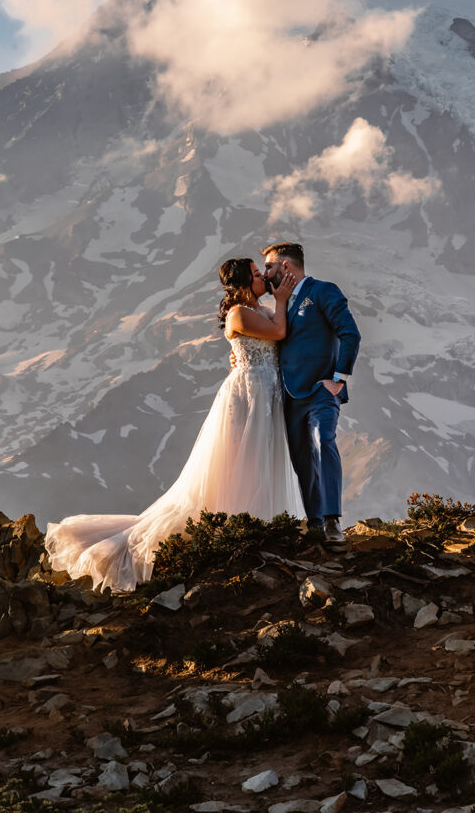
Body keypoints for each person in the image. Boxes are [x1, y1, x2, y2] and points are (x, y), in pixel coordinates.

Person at [44, 258, 302, 592]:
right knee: (246, 459)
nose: (261, 279)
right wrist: (281, 301)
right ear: (240, 285)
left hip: (266, 390)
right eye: (255, 275)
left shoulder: (260, 309)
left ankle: (261, 523)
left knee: (263, 458)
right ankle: (238, 525)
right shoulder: (240, 313)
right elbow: (279, 332)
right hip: (250, 393)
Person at [261, 242, 361, 546]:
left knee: (323, 441)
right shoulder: (277, 303)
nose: (265, 273)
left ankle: (333, 521)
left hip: (321, 390)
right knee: (302, 460)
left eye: (269, 267)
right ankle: (315, 524)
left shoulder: (323, 291)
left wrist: (339, 379)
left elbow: (350, 333)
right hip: (290, 396)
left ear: (286, 267)